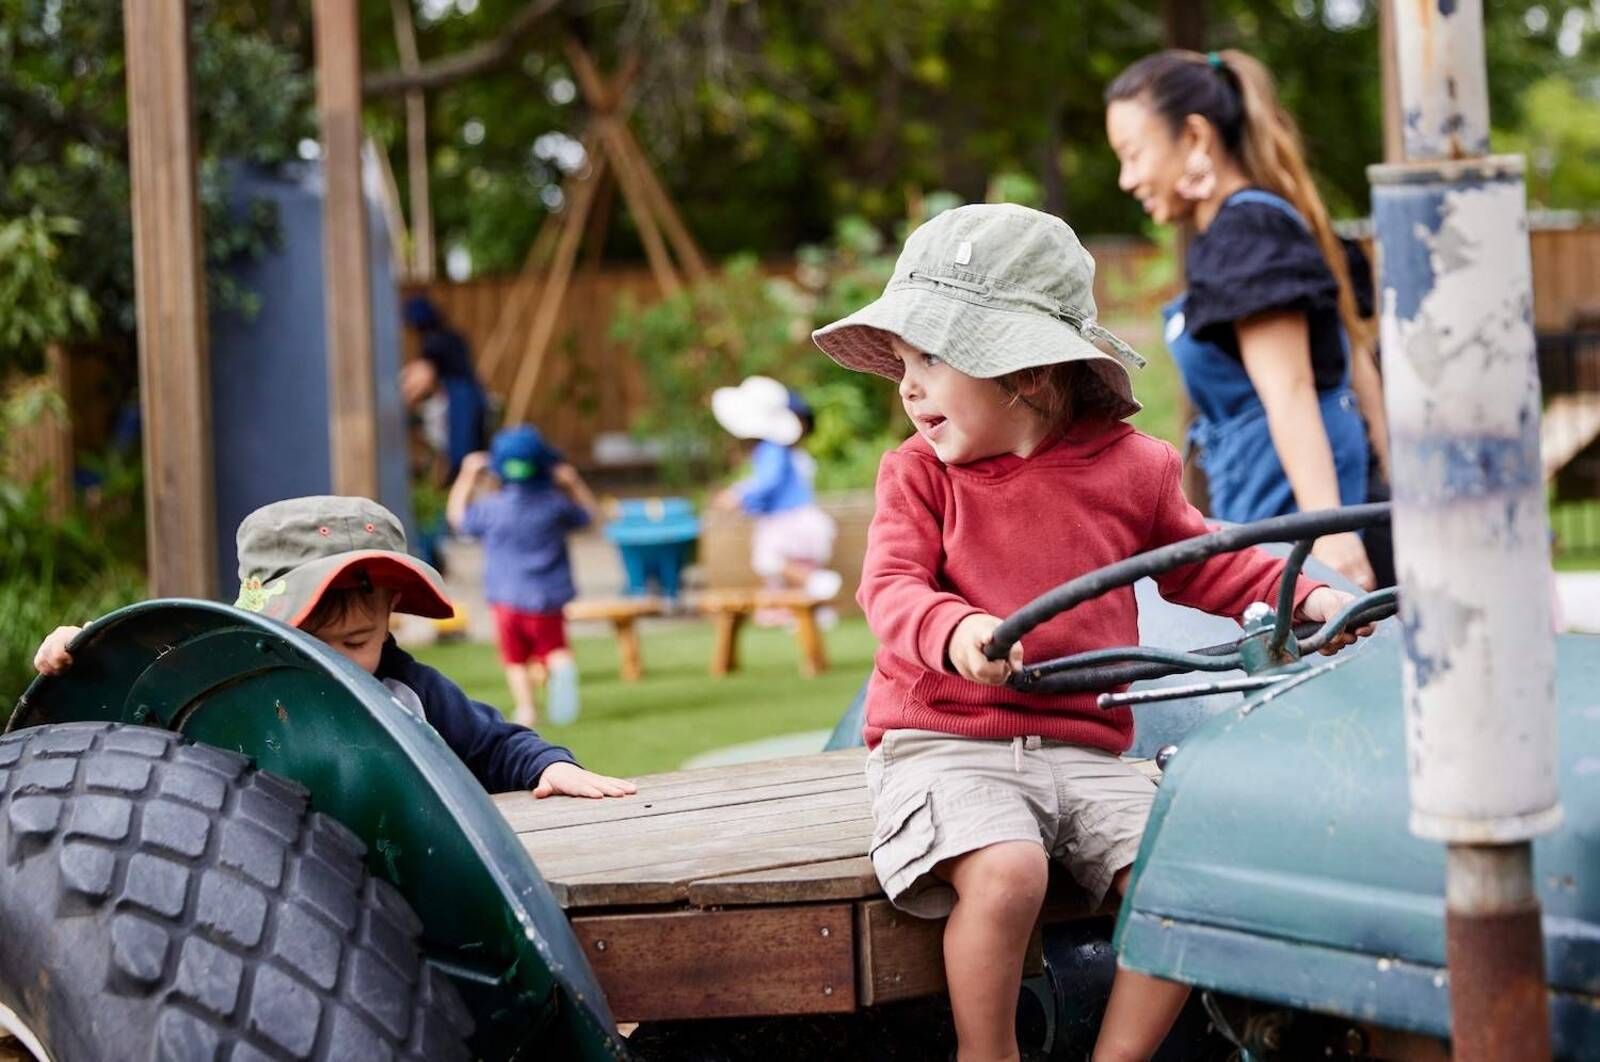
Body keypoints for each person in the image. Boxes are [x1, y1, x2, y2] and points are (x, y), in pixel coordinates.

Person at [811, 203, 1371, 1062]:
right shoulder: (918, 475)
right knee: (1008, 873)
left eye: (933, 358)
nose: (908, 385)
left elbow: (1209, 563)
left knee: (1181, 877)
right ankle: (985, 1050)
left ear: (1024, 371)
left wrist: (1305, 602)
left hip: (1088, 746)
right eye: (904, 361)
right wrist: (958, 632)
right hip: (947, 740)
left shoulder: (1132, 469)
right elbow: (889, 587)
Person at [33, 496, 634, 801]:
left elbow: (495, 744)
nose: (334, 661)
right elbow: (118, 738)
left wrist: (550, 767)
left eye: (356, 642)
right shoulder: (208, 689)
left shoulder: (404, 690)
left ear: (389, 620)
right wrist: (84, 656)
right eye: (301, 641)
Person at [1105, 49, 1389, 590]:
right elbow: (1358, 367)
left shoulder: (1248, 235)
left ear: (1194, 138)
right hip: (1268, 507)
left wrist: (1328, 531)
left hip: (1300, 527)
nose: (1126, 178)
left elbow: (1291, 388)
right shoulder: (1249, 229)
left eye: (1134, 154)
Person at [447, 424, 595, 728]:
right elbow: (590, 516)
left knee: (515, 660)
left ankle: (527, 709)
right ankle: (561, 665)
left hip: (506, 599)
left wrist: (467, 475)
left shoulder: (491, 509)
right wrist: (573, 482)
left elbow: (457, 518)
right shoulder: (554, 505)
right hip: (546, 598)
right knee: (554, 649)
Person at [709, 375, 842, 619]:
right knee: (789, 567)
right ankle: (802, 612)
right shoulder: (777, 450)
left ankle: (818, 583)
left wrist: (738, 495)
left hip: (788, 519)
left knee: (768, 560)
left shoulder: (772, 449)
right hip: (793, 517)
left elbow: (766, 483)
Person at [403, 295, 489, 483]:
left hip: (461, 394)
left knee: (461, 445)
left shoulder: (433, 340)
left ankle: (461, 484)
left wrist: (403, 402)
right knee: (472, 441)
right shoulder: (450, 334)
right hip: (472, 391)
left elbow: (424, 376)